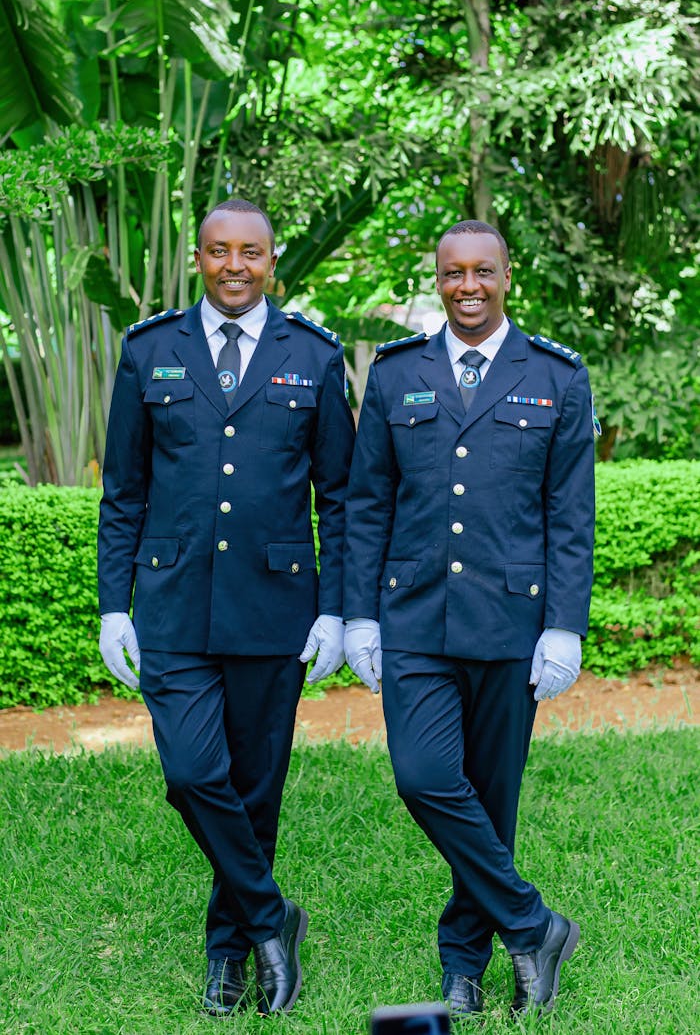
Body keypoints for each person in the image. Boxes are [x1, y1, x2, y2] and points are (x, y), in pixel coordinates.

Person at [97, 198, 355, 1017]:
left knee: (254, 788)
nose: (235, 266)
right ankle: (272, 916)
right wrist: (114, 606)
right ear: (197, 258)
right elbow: (123, 493)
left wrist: (334, 610)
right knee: (192, 774)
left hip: (276, 607)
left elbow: (341, 497)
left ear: (273, 261)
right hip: (172, 606)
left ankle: (231, 956)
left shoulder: (312, 355)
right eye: (219, 252)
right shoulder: (150, 351)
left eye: (251, 253)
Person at [343, 220, 595, 1018]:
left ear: (506, 276)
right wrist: (358, 618)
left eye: (483, 271)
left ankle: (464, 967)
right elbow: (366, 505)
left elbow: (569, 513)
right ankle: (533, 925)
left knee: (490, 800)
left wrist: (565, 626)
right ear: (438, 279)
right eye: (453, 273)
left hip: (510, 622)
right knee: (424, 780)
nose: (468, 287)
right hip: (412, 617)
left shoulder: (556, 376)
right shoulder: (395, 374)